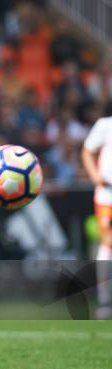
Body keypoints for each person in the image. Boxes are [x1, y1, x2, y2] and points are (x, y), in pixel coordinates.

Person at [82, 116, 112, 319]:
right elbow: (87, 151)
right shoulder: (105, 125)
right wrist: (95, 176)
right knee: (108, 243)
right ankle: (104, 300)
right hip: (108, 195)